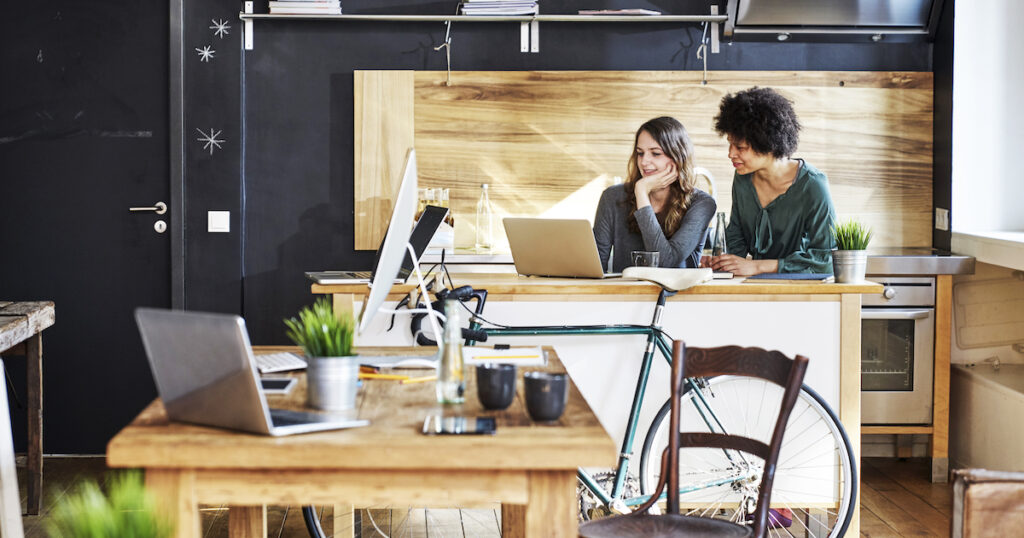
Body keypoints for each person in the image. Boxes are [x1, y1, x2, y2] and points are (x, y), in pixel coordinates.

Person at [704, 87, 837, 276]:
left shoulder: (813, 185)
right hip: (754, 286)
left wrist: (757, 266)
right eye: (730, 144)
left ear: (767, 143)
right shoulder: (742, 177)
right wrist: (722, 262)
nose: (731, 154)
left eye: (740, 147)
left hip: (801, 292)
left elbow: (827, 259)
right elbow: (736, 234)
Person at [593, 116, 716, 272]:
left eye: (656, 153)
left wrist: (642, 193)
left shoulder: (701, 204)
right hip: (624, 294)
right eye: (640, 153)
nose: (644, 162)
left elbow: (666, 262)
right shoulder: (612, 197)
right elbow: (596, 268)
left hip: (676, 296)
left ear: (678, 157)